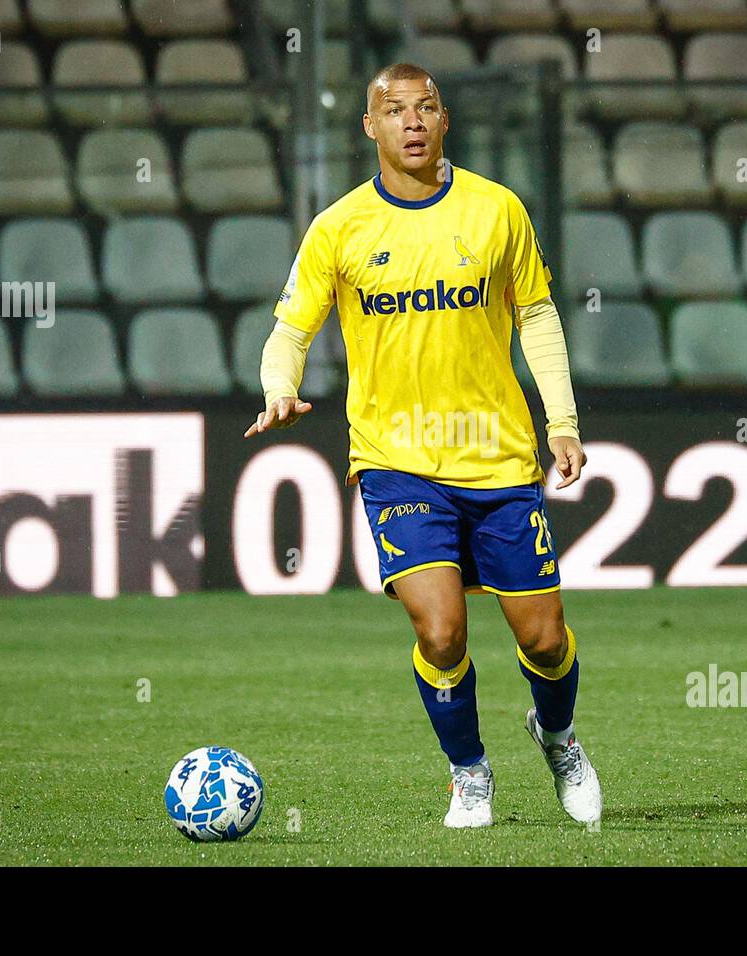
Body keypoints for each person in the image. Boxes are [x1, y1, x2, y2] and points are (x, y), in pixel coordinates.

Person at [244, 63, 601, 828]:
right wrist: (280, 386)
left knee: (543, 639)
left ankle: (559, 735)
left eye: (426, 108)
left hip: (498, 457)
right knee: (440, 633)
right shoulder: (340, 227)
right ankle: (469, 772)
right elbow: (291, 328)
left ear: (445, 123)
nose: (412, 121)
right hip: (397, 460)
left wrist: (561, 422)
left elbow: (536, 315)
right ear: (368, 127)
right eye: (395, 110)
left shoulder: (497, 211)